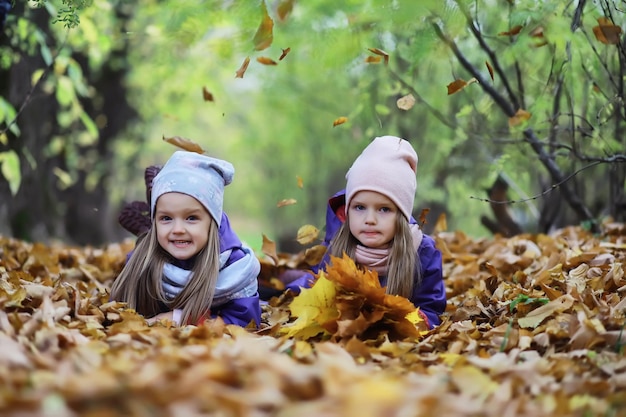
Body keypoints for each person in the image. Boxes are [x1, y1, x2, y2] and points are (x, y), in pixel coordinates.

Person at [283, 136, 446, 328]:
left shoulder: (422, 253)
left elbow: (431, 309)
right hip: (347, 337)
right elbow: (319, 293)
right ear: (348, 210)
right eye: (359, 207)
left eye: (384, 209)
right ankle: (276, 281)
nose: (370, 219)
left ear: (401, 215)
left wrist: (404, 322)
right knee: (294, 284)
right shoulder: (338, 249)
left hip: (394, 341)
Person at [111, 150, 261, 328]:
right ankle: (148, 228)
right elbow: (118, 311)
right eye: (166, 218)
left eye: (191, 218)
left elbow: (245, 322)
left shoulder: (235, 268)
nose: (178, 230)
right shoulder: (142, 260)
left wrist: (177, 318)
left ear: (213, 221)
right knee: (148, 245)